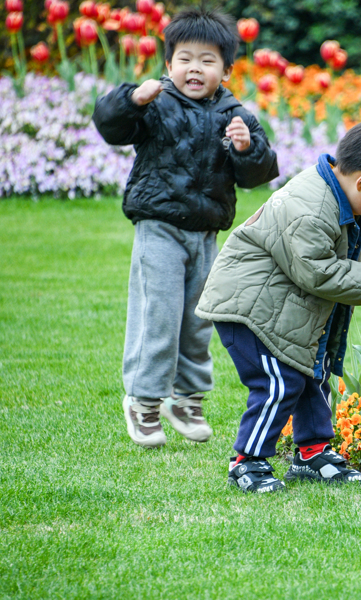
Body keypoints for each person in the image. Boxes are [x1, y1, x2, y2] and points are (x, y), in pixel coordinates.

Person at [195, 119, 361, 493]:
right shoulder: (311, 208)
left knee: (312, 375)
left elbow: (355, 248)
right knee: (279, 383)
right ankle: (247, 462)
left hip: (283, 309)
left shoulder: (338, 197)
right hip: (250, 310)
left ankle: (312, 454)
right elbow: (318, 271)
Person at [92, 8, 279, 449]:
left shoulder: (235, 116)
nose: (195, 68)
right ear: (169, 63)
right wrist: (131, 100)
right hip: (158, 228)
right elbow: (110, 125)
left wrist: (247, 149)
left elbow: (259, 173)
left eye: (207, 60)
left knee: (199, 320)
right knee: (159, 315)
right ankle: (144, 401)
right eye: (185, 59)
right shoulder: (155, 103)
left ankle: (187, 399)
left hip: (205, 234)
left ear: (226, 70)